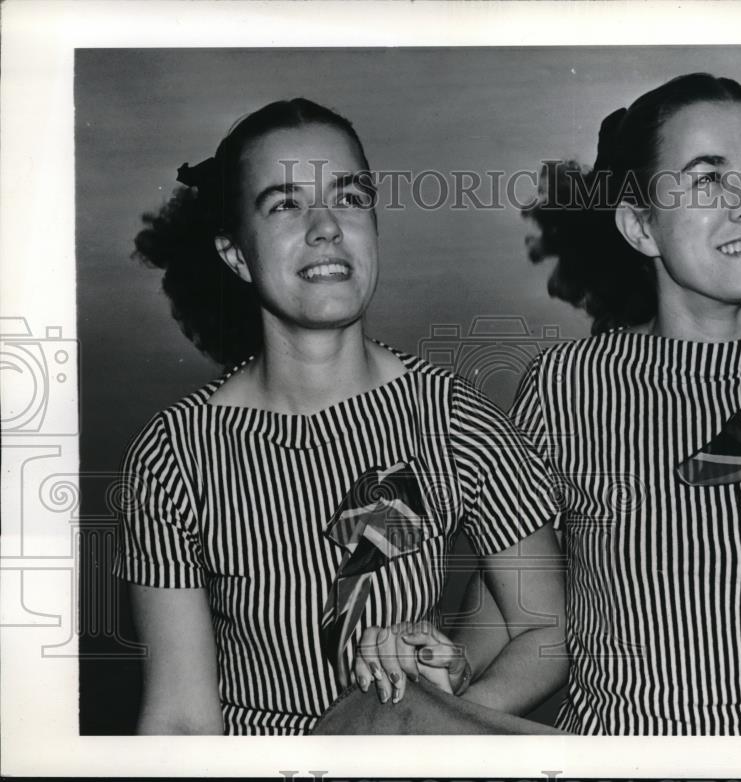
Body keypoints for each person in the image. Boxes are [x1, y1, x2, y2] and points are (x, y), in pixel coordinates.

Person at [447, 72, 741, 735]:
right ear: (641, 226)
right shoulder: (565, 386)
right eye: (708, 178)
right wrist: (440, 688)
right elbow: (512, 609)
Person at [114, 98, 566, 735]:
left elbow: (544, 628)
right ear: (236, 255)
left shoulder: (454, 416)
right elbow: (182, 721)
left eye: (350, 197)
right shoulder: (173, 453)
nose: (326, 225)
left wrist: (434, 712)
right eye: (286, 203)